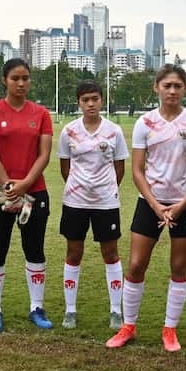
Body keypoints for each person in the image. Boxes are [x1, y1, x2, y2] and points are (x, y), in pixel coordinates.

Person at [105, 64, 186, 352]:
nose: (172, 91)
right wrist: (155, 204)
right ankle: (129, 326)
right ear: (157, 88)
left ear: (184, 88)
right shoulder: (144, 123)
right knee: (137, 265)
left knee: (178, 266)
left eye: (177, 86)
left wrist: (180, 205)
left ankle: (170, 329)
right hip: (149, 203)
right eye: (167, 86)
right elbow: (137, 170)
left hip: (185, 204)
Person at [0, 58, 54, 333]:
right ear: (4, 80)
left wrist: (25, 185)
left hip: (35, 193)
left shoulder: (42, 113)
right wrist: (10, 189)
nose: (21, 83)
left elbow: (44, 154)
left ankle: (36, 306)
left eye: (26, 78)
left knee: (34, 250)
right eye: (15, 78)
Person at [57, 80, 129, 330]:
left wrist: (104, 189)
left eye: (95, 99)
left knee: (110, 254)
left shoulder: (114, 131)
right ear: (78, 102)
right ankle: (70, 310)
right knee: (74, 253)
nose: (90, 104)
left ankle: (116, 310)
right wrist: (80, 188)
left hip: (106, 203)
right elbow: (65, 167)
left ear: (102, 100)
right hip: (75, 202)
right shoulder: (68, 131)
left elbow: (119, 168)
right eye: (85, 99)